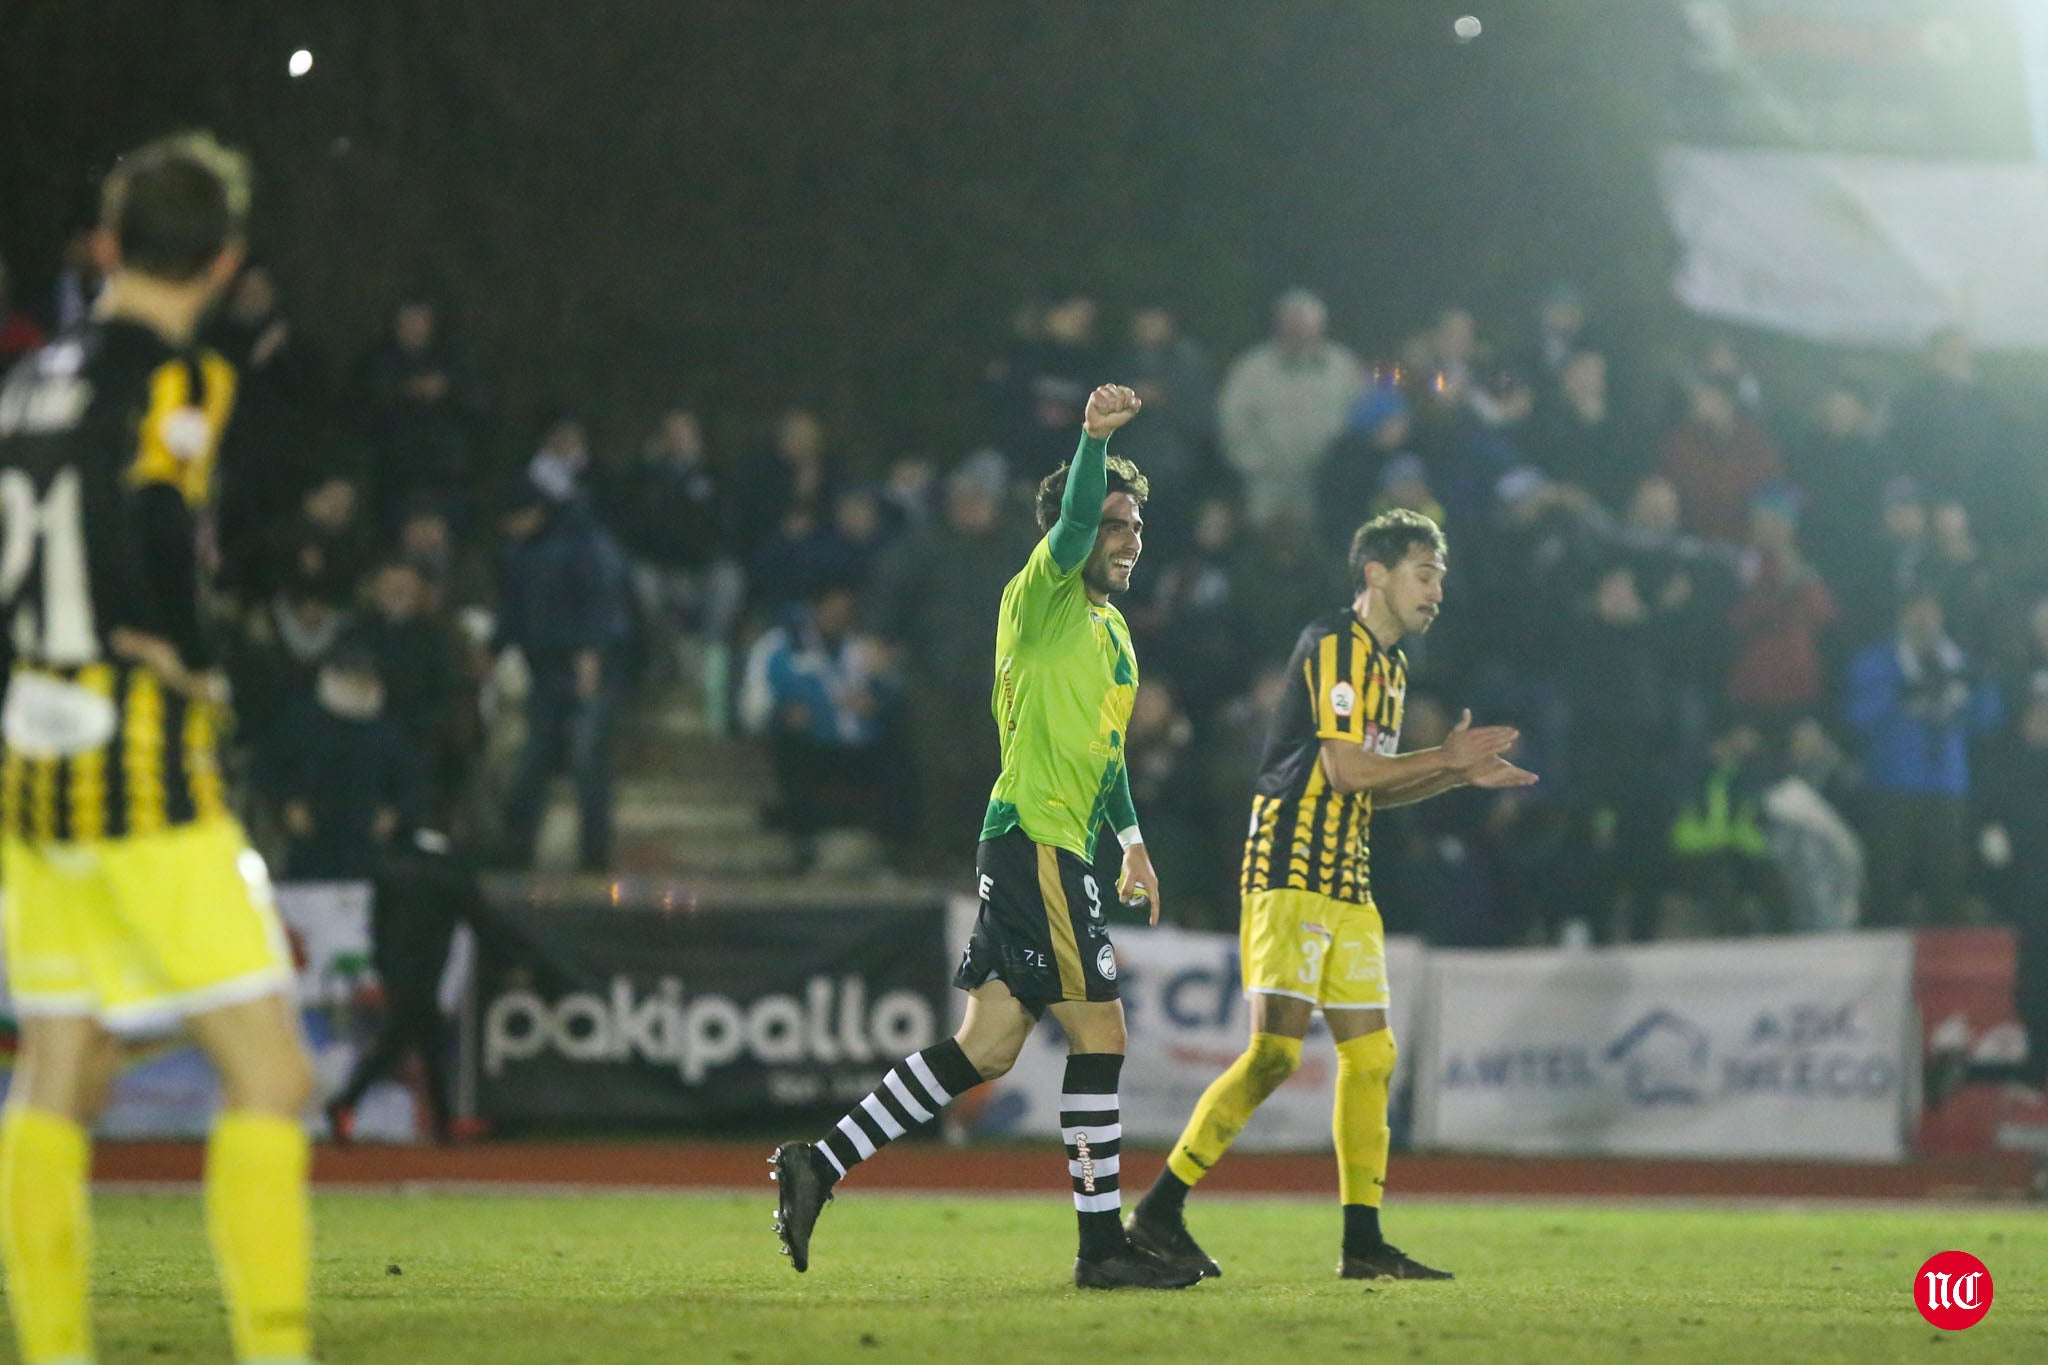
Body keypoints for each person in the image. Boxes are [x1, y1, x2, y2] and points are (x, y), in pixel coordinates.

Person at [771, 385, 1201, 1290]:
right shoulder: (1041, 593)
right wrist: (1092, 442)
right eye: (1115, 524)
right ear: (1074, 533)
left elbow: (1107, 753)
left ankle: (820, 1160)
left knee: (989, 1046)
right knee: (1102, 1033)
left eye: (1136, 526)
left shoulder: (1116, 635)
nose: (1129, 539)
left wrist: (1131, 840)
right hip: (1034, 839)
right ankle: (1101, 1249)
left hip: (1054, 844)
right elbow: (1079, 515)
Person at [0, 133, 314, 1365]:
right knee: (274, 1080)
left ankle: (55, 1350)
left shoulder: (26, 380)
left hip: (24, 761)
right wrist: (185, 650)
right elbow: (150, 515)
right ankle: (276, 1352)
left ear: (105, 243)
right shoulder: (176, 378)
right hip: (134, 756)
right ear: (228, 262)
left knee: (61, 1067)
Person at [1127, 509, 1533, 1283]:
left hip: (1346, 878)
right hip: (1290, 868)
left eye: (1440, 575)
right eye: (1424, 572)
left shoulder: (1392, 667)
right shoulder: (1335, 646)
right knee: (1274, 1052)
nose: (1437, 591)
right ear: (1376, 574)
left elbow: (1368, 793)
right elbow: (1345, 772)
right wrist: (1439, 755)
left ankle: (1362, 1242)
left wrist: (1451, 772)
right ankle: (1158, 1207)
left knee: (1372, 1057)